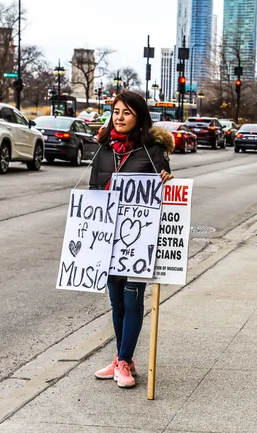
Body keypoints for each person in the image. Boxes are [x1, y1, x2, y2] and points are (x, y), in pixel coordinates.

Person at [89, 91, 175, 388]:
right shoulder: (104, 148)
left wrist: (166, 181)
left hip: (139, 237)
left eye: (126, 112)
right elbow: (93, 190)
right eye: (115, 112)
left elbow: (164, 192)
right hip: (108, 236)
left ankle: (124, 362)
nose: (119, 117)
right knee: (116, 302)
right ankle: (121, 357)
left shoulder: (152, 150)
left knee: (132, 297)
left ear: (139, 116)